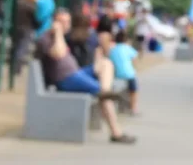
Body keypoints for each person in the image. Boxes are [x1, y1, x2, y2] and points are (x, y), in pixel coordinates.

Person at [35, 9, 136, 144]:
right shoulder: (46, 38)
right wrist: (58, 33)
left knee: (106, 64)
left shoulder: (63, 37)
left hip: (77, 73)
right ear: (54, 23)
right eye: (61, 22)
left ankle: (104, 90)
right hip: (66, 79)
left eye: (68, 22)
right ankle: (116, 133)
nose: (66, 25)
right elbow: (58, 53)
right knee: (104, 97)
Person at [108, 30, 140, 115]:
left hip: (116, 74)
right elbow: (135, 59)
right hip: (129, 74)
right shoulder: (128, 48)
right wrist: (134, 68)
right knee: (133, 90)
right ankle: (133, 109)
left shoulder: (112, 49)